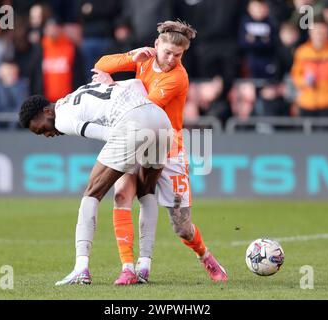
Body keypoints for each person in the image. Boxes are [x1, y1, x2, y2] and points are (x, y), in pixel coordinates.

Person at [93, 20, 228, 285]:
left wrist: (111, 86)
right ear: (156, 45)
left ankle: (205, 256)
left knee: (181, 225)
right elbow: (102, 64)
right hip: (135, 139)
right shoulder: (144, 60)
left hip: (169, 146)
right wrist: (131, 56)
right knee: (122, 193)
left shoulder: (178, 77)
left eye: (178, 55)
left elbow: (145, 107)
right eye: (167, 53)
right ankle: (128, 268)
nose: (171, 59)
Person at [18, 79, 173, 285]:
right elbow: (135, 83)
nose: (47, 134)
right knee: (146, 190)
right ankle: (144, 266)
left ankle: (81, 268)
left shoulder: (62, 119)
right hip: (160, 118)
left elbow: (108, 134)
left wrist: (131, 149)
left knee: (92, 192)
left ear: (47, 111)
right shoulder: (74, 95)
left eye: (41, 129)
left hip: (132, 122)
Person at [291, 16, 328, 118]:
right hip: (306, 102)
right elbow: (295, 75)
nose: (319, 36)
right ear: (310, 33)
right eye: (316, 32)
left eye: (322, 32)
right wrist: (305, 82)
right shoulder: (302, 52)